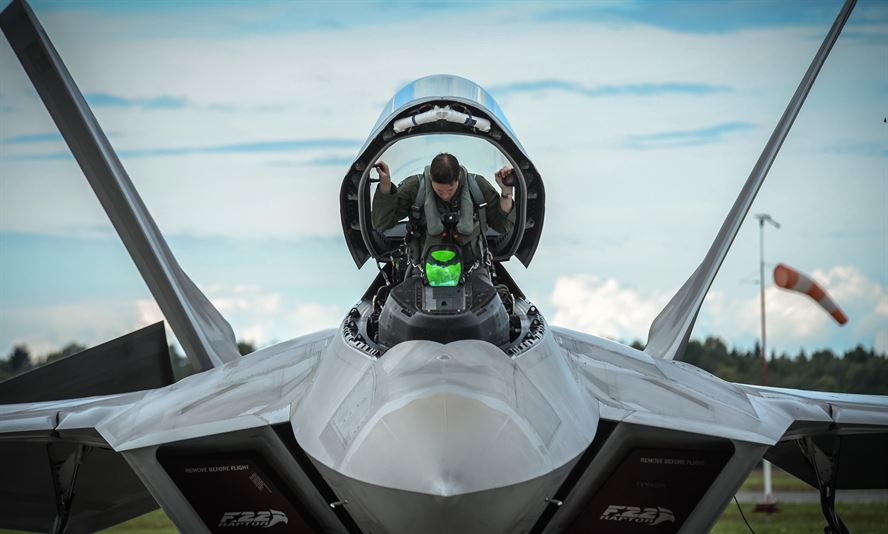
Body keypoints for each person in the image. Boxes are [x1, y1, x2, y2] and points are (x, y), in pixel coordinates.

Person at [371, 153, 516, 268]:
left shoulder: (477, 187)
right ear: (431, 179)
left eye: (450, 190)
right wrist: (385, 185)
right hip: (422, 266)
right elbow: (382, 222)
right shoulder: (414, 188)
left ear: (458, 178)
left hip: (472, 266)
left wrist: (506, 192)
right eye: (440, 191)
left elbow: (502, 225)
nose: (445, 195)